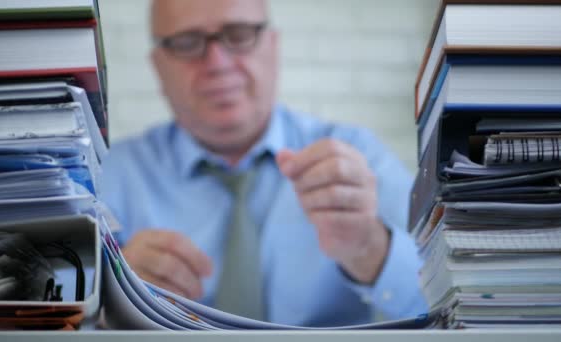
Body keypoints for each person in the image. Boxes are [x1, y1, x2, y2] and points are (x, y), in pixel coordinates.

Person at [101, 0, 428, 327]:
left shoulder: (354, 160)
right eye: (187, 43)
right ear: (158, 66)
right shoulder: (106, 176)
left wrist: (369, 247)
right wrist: (113, 299)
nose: (217, 62)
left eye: (239, 34)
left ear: (273, 46)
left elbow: (450, 305)